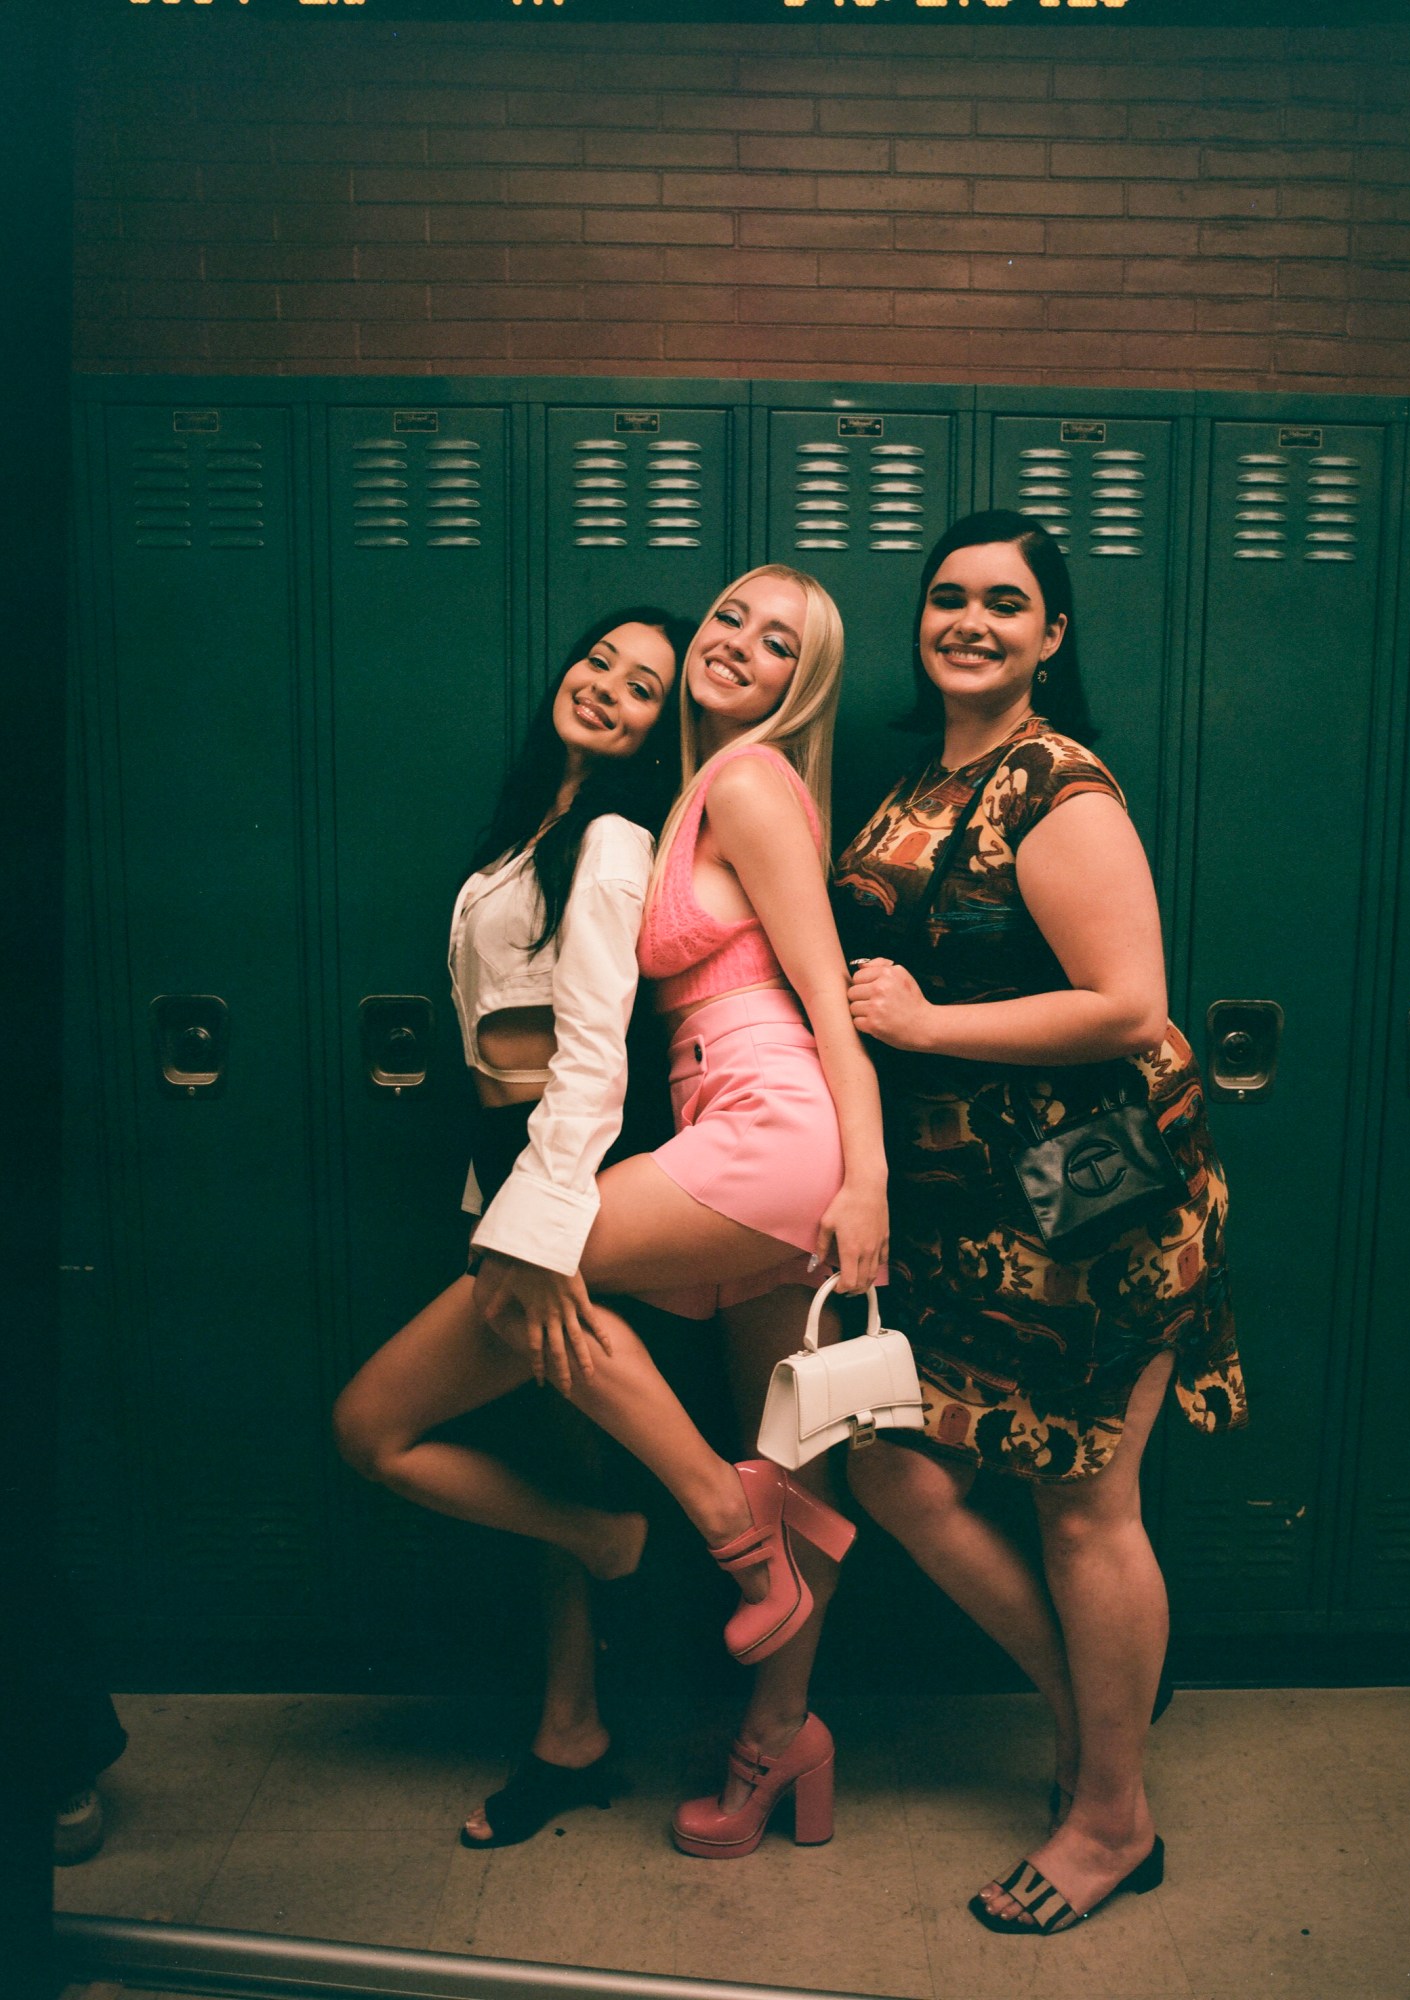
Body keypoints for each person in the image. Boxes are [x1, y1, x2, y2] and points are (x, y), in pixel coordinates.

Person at [339, 571, 887, 1856]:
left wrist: (864, 1180)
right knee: (796, 1455)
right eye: (732, 619)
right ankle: (779, 1740)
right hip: (721, 1131)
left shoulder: (745, 784)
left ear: (799, 684)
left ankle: (719, 1523)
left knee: (527, 1257)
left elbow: (825, 1003)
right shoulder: (693, 790)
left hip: (774, 1130)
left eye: (778, 643)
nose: (738, 647)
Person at [832, 511, 1246, 1935]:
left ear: (1050, 636)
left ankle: (1108, 1818)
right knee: (887, 1464)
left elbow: (1128, 1000)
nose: (968, 622)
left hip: (1094, 1197)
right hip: (964, 1208)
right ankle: (1092, 1702)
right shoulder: (920, 779)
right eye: (946, 598)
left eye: (1004, 604)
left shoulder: (1055, 786)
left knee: (1084, 1501)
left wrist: (929, 1022)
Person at [335, 605, 690, 1846]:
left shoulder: (607, 837)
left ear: (660, 727)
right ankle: (570, 1730)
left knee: (373, 1427)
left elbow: (593, 1056)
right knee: (558, 1452)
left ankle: (621, 1539)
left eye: (642, 685)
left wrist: (533, 1228)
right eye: (598, 660)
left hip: (558, 1182)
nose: (605, 686)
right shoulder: (531, 826)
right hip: (507, 1176)